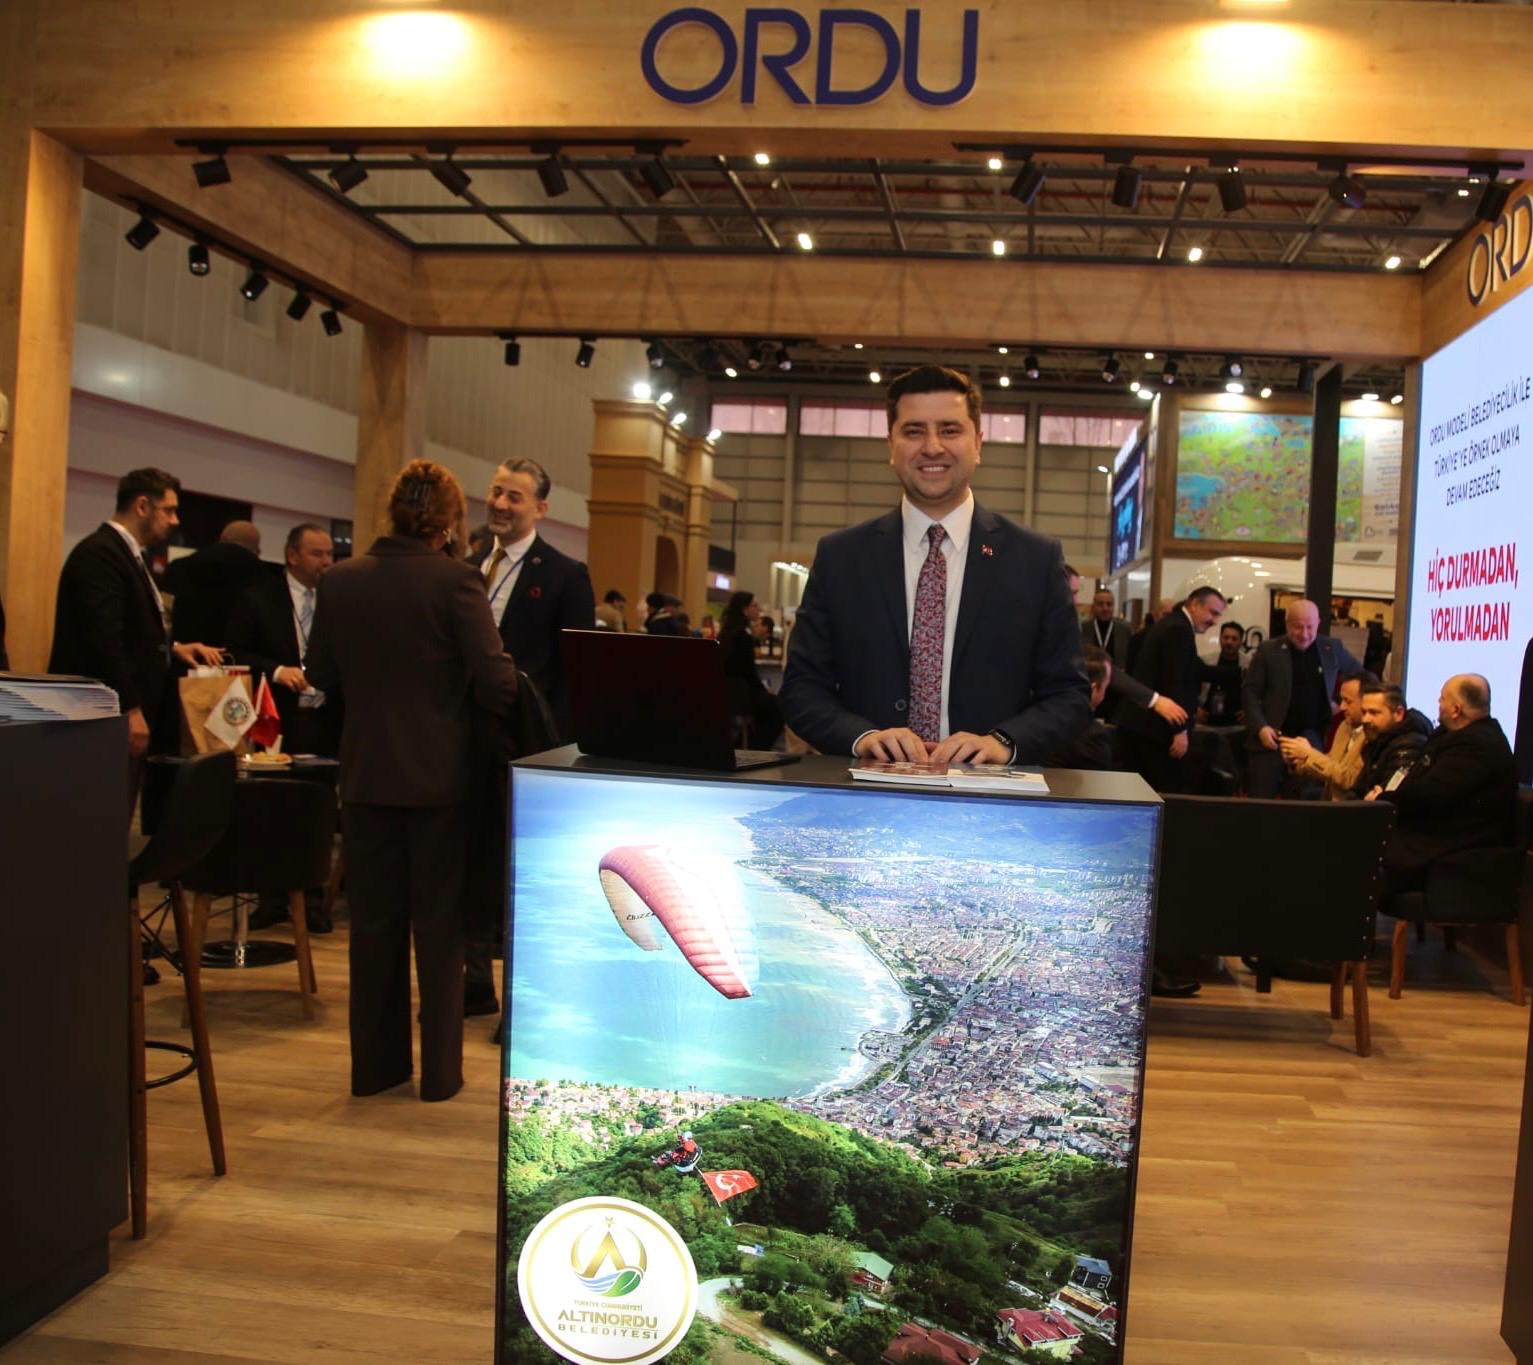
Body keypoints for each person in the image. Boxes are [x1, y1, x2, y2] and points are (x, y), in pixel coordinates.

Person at [303, 459, 519, 1103]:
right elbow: (497, 683)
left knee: (373, 930)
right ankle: (440, 1077)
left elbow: (320, 673)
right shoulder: (457, 582)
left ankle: (376, 1070)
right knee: (439, 932)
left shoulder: (340, 580)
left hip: (366, 776)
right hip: (440, 783)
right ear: (448, 519)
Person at [780, 365, 1089, 764]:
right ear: (891, 445)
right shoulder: (841, 557)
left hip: (987, 794)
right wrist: (863, 738)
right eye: (913, 431)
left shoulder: (1035, 559)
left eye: (949, 430)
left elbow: (1069, 695)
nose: (932, 447)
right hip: (867, 789)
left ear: (977, 443)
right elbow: (801, 688)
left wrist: (1003, 743)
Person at [49, 467, 223, 814]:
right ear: (142, 505)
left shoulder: (126, 554)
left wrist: (173, 649)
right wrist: (129, 709)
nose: (175, 520)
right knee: (97, 819)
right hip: (101, 717)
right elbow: (102, 639)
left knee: (112, 816)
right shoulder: (101, 554)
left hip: (111, 714)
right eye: (169, 510)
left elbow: (127, 630)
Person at [471, 458, 594, 744]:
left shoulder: (565, 576)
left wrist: (556, 742)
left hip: (524, 732)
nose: (500, 504)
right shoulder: (467, 566)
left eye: (514, 498)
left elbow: (577, 671)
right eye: (496, 492)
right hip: (465, 728)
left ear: (540, 509)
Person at [1372, 674, 1518, 895]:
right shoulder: (1450, 735)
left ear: (1456, 710)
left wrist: (1383, 799)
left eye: (1442, 698)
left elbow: (1430, 795)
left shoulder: (1477, 746)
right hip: (1435, 834)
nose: (1438, 703)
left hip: (1455, 846)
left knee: (1363, 851)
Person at [226, 523, 341, 759]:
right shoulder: (259, 597)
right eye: (317, 554)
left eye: (330, 554)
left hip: (328, 719)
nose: (327, 562)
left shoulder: (337, 600)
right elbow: (235, 653)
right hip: (279, 717)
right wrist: (278, 671)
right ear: (292, 556)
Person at [1243, 599, 1363, 799]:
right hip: (1271, 738)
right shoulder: (1268, 650)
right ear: (1287, 623)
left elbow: (1362, 676)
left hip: (1312, 739)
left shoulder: (1332, 648)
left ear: (1318, 624)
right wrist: (1260, 727)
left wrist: (1339, 701)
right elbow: (1249, 692)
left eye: (1310, 627)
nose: (1304, 634)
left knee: (1306, 801)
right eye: (1298, 627)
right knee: (1261, 801)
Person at [1116, 587, 1227, 794]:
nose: (1215, 621)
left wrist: (1240, 673)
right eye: (1213, 613)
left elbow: (1195, 670)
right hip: (1155, 730)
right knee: (1162, 793)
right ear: (1195, 604)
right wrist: (1179, 730)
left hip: (1146, 726)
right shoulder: (1178, 630)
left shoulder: (1175, 625)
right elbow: (1173, 682)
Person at [163, 519, 267, 650]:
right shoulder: (264, 576)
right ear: (256, 551)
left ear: (221, 539)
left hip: (188, 653)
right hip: (234, 657)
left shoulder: (181, 566)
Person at [1280, 670, 1373, 801]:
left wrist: (1309, 754)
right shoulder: (1344, 726)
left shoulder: (1373, 735)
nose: (1342, 707)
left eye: (1348, 701)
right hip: (1329, 802)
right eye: (1341, 700)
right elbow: (1329, 765)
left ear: (1366, 702)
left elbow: (1351, 779)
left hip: (1351, 807)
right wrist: (1297, 759)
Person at [719, 590, 784, 750]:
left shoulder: (725, 634)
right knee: (780, 708)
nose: (758, 609)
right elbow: (748, 673)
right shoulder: (743, 637)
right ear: (745, 609)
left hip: (728, 693)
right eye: (754, 605)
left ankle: (744, 743)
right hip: (743, 695)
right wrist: (764, 690)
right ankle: (758, 748)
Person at [1351, 682, 1432, 799]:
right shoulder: (1379, 743)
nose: (1365, 719)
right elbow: (1357, 791)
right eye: (1364, 712)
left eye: (1373, 712)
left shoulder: (1409, 745)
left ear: (1398, 713)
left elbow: (1388, 798)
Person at [1201, 621, 1246, 725]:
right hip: (1206, 724)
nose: (1229, 642)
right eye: (1225, 637)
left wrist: (1249, 711)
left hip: (1239, 725)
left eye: (1234, 639)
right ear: (1220, 639)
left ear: (1241, 642)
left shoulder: (1250, 664)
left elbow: (1259, 693)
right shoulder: (1205, 661)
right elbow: (1189, 688)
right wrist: (1195, 709)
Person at [1125, 597, 1175, 676]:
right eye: (1165, 615)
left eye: (1173, 616)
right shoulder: (1139, 638)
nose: (1169, 619)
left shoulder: (1176, 639)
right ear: (1155, 616)